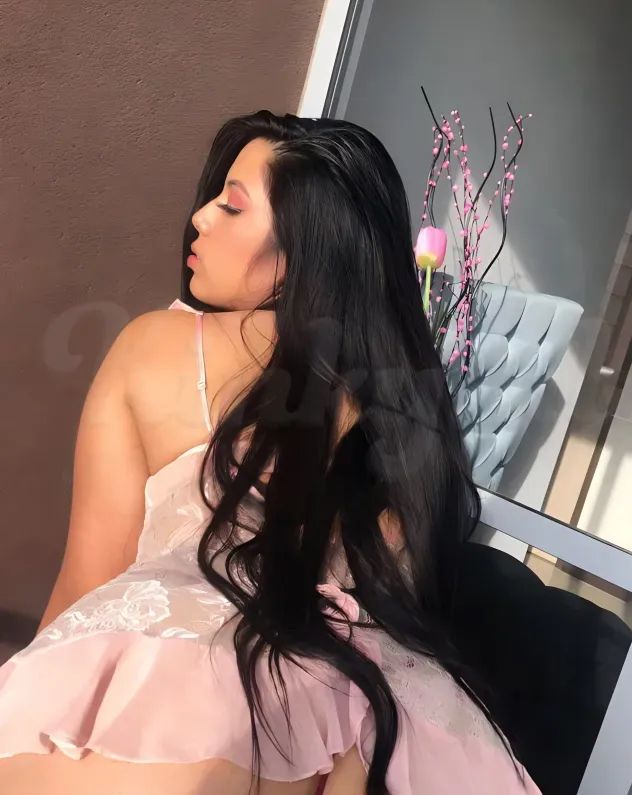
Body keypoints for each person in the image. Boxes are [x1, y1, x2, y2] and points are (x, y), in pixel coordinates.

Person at [0, 111, 542, 794]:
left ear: (302, 252)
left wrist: (32, 690)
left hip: (173, 699)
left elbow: (87, 582)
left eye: (231, 206)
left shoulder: (160, 347)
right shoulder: (410, 411)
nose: (200, 218)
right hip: (379, 722)